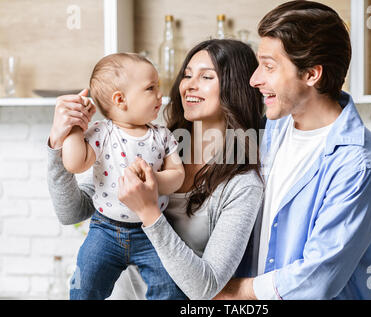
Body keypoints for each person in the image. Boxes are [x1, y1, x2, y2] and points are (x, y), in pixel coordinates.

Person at [46, 39, 265, 300]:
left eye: (206, 76)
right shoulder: (151, 142)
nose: (189, 85)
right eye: (186, 75)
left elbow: (206, 288)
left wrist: (150, 212)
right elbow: (71, 212)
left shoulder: (242, 184)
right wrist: (60, 140)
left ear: (236, 88)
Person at [214, 0, 371, 300]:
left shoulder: (358, 167)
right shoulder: (272, 129)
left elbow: (316, 278)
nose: (254, 79)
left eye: (269, 67)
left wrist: (228, 291)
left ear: (312, 74)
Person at [59, 53, 185, 300]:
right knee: (84, 287)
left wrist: (154, 182)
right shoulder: (101, 132)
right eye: (150, 88)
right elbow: (74, 163)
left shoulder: (162, 135)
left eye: (158, 87)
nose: (159, 94)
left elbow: (178, 176)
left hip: (152, 230)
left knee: (170, 290)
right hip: (105, 230)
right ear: (120, 99)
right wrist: (75, 127)